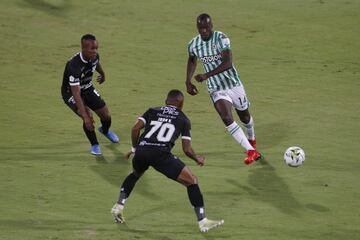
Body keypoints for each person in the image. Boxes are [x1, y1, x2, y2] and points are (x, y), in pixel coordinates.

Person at [111, 90, 224, 232]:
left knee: (135, 174)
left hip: (142, 151)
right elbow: (187, 149)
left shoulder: (152, 110)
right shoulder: (183, 119)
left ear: (166, 101)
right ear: (181, 103)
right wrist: (197, 158)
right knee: (192, 181)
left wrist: (135, 148)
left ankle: (119, 206)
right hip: (160, 154)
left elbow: (135, 129)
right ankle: (203, 221)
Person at [185, 13, 261, 165]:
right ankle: (251, 151)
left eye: (206, 28)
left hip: (233, 84)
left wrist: (206, 75)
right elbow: (192, 59)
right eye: (201, 28)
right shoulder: (193, 44)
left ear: (211, 26)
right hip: (215, 88)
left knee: (245, 117)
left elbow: (228, 63)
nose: (204, 31)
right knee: (226, 117)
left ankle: (251, 140)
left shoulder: (221, 38)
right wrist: (187, 80)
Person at [61, 34, 119, 155]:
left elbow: (96, 63)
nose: (95, 51)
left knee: (106, 116)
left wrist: (102, 74)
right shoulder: (74, 65)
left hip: (87, 88)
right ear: (83, 48)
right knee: (87, 116)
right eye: (92, 49)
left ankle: (104, 130)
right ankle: (95, 144)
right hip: (71, 93)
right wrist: (85, 116)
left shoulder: (94, 56)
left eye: (96, 48)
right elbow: (76, 93)